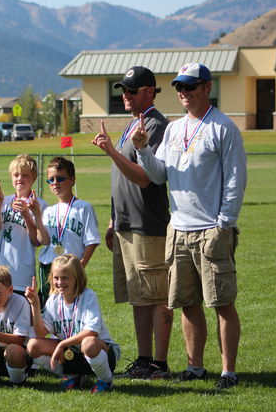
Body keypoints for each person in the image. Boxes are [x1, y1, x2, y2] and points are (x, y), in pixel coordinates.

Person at [133, 63, 247, 390]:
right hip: (179, 228)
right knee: (187, 302)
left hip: (212, 228)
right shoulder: (174, 128)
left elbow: (236, 180)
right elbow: (158, 175)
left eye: (190, 86)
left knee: (222, 303)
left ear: (207, 87)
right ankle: (195, 366)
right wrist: (142, 149)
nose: (183, 92)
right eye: (179, 87)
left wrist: (224, 224)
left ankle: (228, 371)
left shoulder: (223, 128)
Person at [92, 66, 173, 379]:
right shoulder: (133, 123)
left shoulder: (155, 125)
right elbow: (122, 178)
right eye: (123, 90)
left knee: (156, 297)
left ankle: (159, 364)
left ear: (150, 91)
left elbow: (144, 179)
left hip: (148, 225)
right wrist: (114, 219)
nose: (125, 95)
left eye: (132, 90)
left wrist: (112, 150)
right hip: (127, 224)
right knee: (139, 297)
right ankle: (143, 360)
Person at [26, 254, 120, 393]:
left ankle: (105, 381)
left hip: (101, 351)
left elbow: (91, 332)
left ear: (77, 278)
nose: (59, 282)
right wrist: (35, 304)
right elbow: (40, 333)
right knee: (32, 345)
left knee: (89, 343)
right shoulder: (53, 300)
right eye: (56, 277)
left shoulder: (88, 296)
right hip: (72, 354)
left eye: (65, 278)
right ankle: (72, 376)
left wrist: (62, 344)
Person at [38, 157, 100, 305]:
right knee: (48, 310)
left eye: (60, 179)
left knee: (72, 308)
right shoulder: (48, 211)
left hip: (71, 267)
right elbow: (43, 240)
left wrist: (80, 265)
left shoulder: (83, 207)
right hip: (49, 266)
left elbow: (92, 241)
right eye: (50, 180)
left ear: (72, 180)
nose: (55, 183)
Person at [0, 154, 49, 295]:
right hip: (1, 264)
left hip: (22, 268)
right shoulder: (5, 200)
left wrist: (27, 215)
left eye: (25, 175)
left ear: (33, 178)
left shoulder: (40, 205)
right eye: (16, 175)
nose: (19, 179)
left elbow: (37, 241)